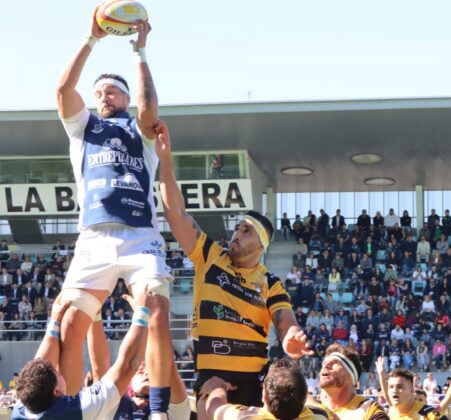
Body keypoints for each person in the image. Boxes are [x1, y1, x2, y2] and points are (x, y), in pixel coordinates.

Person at [55, 5, 172, 404]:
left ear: (125, 96)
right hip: (94, 239)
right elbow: (62, 91)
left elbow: (148, 106)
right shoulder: (83, 127)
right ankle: (70, 407)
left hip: (140, 236)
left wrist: (139, 52)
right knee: (72, 324)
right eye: (99, 92)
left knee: (155, 308)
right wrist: (91, 38)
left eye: (111, 90)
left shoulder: (142, 130)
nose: (103, 96)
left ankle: (158, 409)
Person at [155, 121, 312, 414]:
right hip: (212, 376)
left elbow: (284, 320)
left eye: (245, 231)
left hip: (256, 380)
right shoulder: (209, 255)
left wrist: (291, 336)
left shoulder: (270, 282)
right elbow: (176, 214)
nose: (236, 234)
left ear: (261, 246)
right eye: (237, 228)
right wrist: (165, 161)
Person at [11, 285, 155, 419]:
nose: (58, 366)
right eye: (57, 372)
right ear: (57, 392)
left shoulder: (24, 407)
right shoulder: (75, 411)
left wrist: (55, 322)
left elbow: (39, 364)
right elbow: (127, 365)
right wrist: (143, 312)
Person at [202, 358, 334, 419]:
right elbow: (315, 405)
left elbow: (214, 408)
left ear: (264, 396)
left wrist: (217, 388)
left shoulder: (248, 417)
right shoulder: (321, 416)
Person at [320, 344, 388, 419]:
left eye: (335, 362)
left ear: (351, 375)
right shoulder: (310, 411)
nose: (326, 366)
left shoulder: (369, 410)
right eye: (324, 363)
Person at [384, 368, 448, 420]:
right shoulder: (388, 414)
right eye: (391, 387)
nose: (394, 391)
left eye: (400, 387)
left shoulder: (429, 415)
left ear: (411, 389)